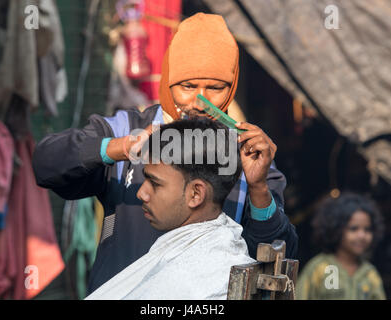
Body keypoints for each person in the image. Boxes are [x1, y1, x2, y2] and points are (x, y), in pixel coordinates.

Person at [32, 12, 298, 295]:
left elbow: (278, 258)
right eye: (187, 86)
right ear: (168, 80)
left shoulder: (248, 158)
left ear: (231, 88)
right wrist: (119, 147)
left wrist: (258, 188)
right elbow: (46, 164)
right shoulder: (127, 129)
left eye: (216, 88)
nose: (201, 101)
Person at [86, 118, 256, 299]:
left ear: (196, 194)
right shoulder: (219, 255)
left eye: (155, 183)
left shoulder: (191, 282)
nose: (141, 193)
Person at [296, 192, 386, 300]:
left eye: (367, 229)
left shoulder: (370, 274)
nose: (362, 235)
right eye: (353, 229)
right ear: (336, 230)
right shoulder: (319, 269)